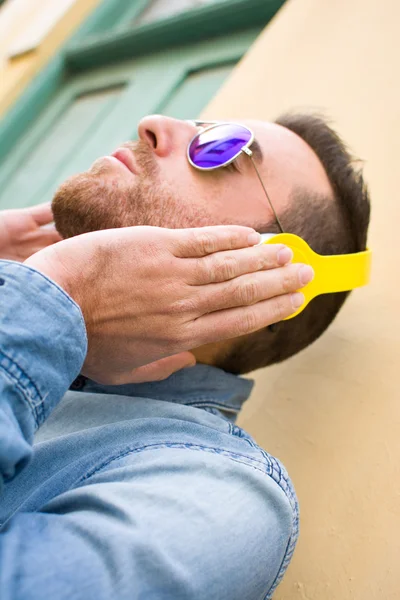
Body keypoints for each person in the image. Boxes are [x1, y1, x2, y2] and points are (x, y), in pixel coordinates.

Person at [0, 112, 370, 599]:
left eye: (223, 149)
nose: (153, 123)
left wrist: (56, 297)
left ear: (254, 283)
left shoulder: (215, 499)